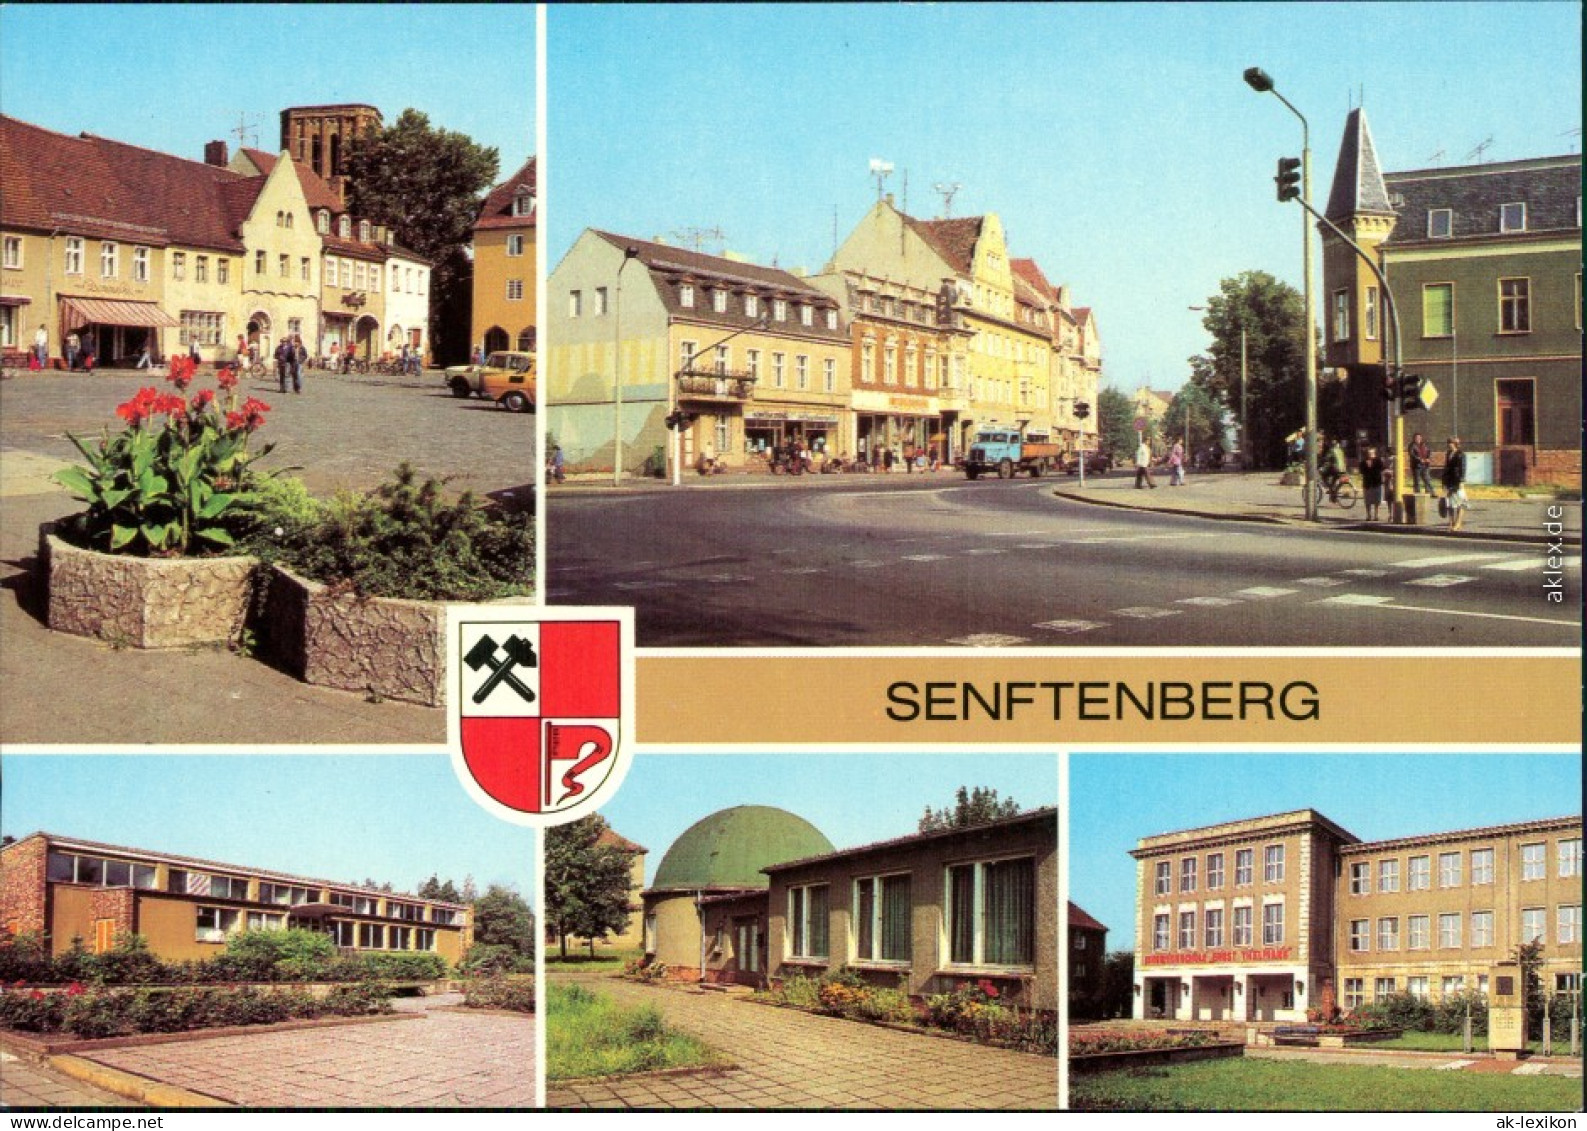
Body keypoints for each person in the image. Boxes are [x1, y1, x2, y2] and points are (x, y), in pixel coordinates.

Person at [1441, 436, 1468, 532]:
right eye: (1448, 443)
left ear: (1456, 444)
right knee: (1450, 503)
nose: (1449, 445)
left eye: (1451, 443)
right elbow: (1446, 467)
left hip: (1457, 481)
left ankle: (1458, 523)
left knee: (1460, 502)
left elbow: (1463, 468)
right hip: (1449, 481)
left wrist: (1461, 481)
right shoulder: (1448, 454)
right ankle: (1451, 523)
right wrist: (1443, 481)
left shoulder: (1461, 454)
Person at [1359, 445, 1387, 521]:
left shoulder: (1378, 461)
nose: (1370, 455)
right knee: (1367, 500)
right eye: (1369, 453)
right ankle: (1368, 515)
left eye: (1372, 453)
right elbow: (1361, 471)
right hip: (1367, 483)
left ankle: (1376, 515)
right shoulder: (1363, 462)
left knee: (1376, 500)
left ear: (1374, 453)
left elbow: (1382, 469)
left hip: (1376, 482)